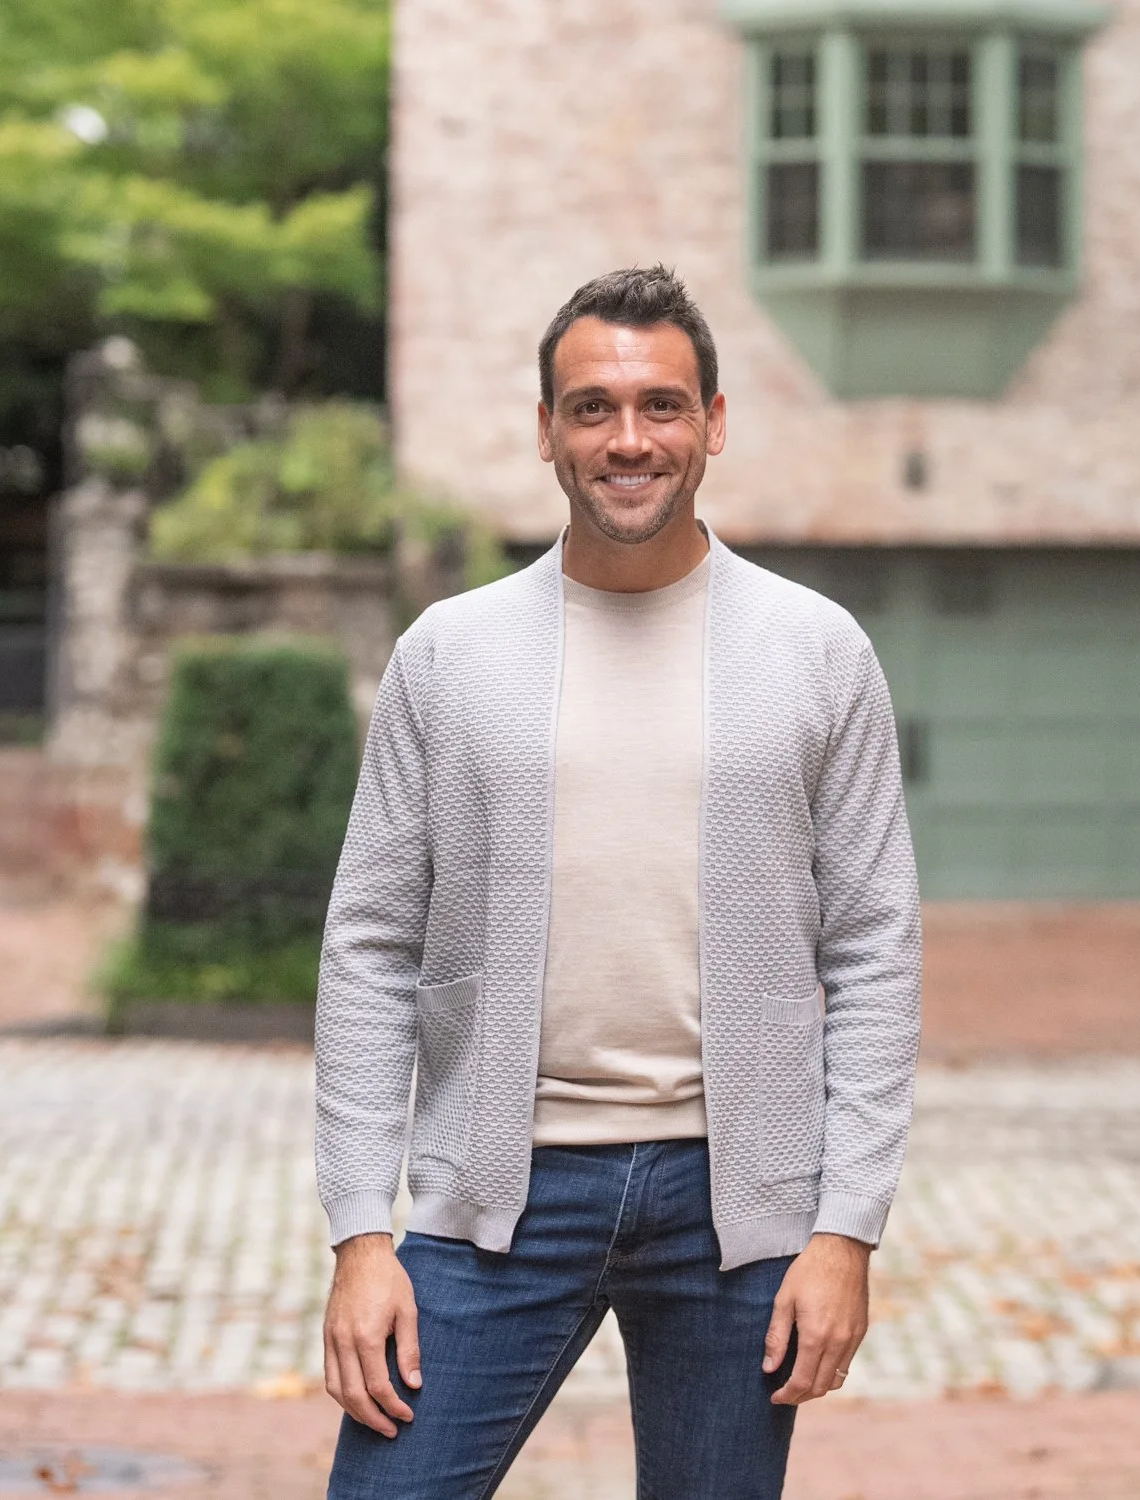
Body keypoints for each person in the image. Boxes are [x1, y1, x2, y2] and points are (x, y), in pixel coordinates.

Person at [315, 264, 922, 1498]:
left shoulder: (814, 651)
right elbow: (371, 946)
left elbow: (874, 950)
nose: (628, 439)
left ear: (712, 422)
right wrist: (361, 1235)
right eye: (591, 408)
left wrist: (846, 1228)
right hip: (495, 1201)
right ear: (547, 431)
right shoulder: (453, 653)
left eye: (660, 405)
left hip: (734, 1213)